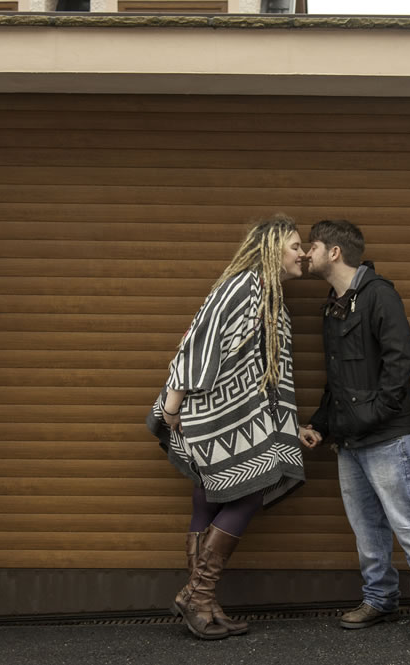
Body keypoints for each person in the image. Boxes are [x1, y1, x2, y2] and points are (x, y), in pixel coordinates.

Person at [146, 214, 311, 640]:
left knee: (209, 495)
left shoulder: (266, 294)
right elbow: (198, 342)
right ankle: (197, 594)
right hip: (216, 413)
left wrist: (287, 424)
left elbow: (265, 369)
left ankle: (204, 602)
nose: (303, 254)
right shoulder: (244, 286)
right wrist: (171, 408)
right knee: (250, 487)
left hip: (236, 414)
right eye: (295, 246)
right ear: (273, 248)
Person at [301, 219, 410, 637]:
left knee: (408, 519)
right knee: (366, 524)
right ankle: (380, 598)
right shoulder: (335, 305)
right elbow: (339, 379)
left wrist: (373, 414)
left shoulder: (379, 296)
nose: (304, 253)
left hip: (387, 434)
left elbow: (400, 362)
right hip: (349, 438)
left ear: (334, 252)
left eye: (311, 246)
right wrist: (321, 422)